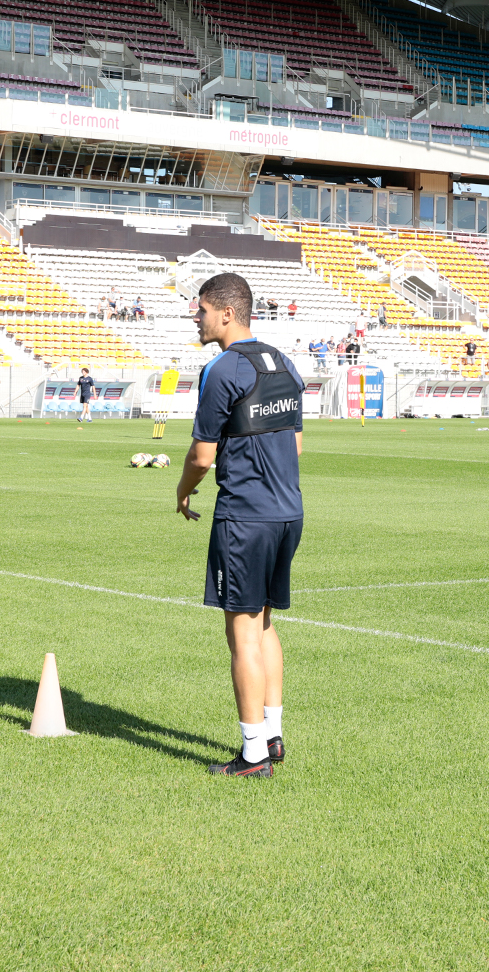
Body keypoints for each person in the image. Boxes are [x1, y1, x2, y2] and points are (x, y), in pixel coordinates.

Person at [175, 272, 305, 778]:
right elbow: (294, 445)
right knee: (266, 623)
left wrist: (182, 491)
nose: (196, 316)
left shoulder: (222, 369)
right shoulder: (285, 363)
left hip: (245, 517)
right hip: (287, 512)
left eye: (202, 309)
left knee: (242, 634)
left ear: (227, 313)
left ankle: (252, 754)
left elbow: (202, 456)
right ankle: (272, 736)